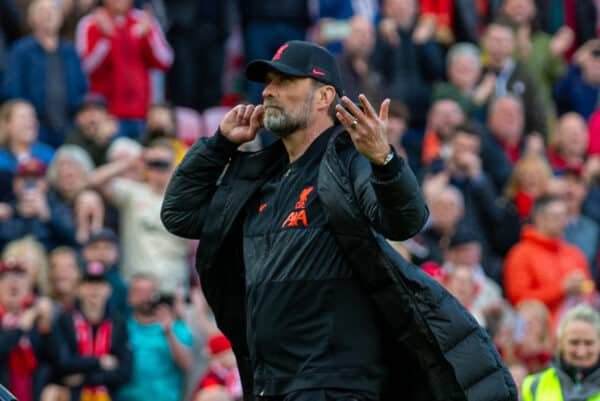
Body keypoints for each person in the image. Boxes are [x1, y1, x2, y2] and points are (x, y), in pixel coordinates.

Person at [161, 40, 516, 401]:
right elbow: (179, 215)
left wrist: (384, 161)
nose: (267, 91)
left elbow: (405, 221)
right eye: (267, 82)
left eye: (284, 82)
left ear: (323, 96)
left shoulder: (348, 161)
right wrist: (219, 145)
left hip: (334, 384)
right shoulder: (260, 178)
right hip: (271, 384)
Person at [75, 0, 173, 139]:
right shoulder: (90, 22)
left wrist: (148, 36)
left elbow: (165, 61)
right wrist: (105, 39)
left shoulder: (143, 20)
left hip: (142, 114)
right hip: (107, 116)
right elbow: (85, 68)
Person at [1, 0, 88, 148]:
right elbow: (12, 90)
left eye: (52, 11)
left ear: (61, 18)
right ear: (31, 19)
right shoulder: (21, 51)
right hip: (35, 130)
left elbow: (82, 87)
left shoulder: (70, 52)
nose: (48, 16)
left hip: (68, 127)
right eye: (42, 12)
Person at [503, 195, 592, 323]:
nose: (563, 222)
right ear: (539, 218)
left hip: (576, 328)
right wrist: (561, 289)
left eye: (564, 216)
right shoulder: (520, 255)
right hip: (540, 333)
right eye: (556, 217)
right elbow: (519, 300)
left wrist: (584, 289)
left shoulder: (574, 253)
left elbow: (589, 290)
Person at [51, 261, 132, 401]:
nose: (94, 289)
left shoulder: (118, 322)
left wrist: (84, 377)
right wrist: (99, 362)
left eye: (100, 284)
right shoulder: (65, 320)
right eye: (89, 283)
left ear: (109, 290)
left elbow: (124, 372)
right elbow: (61, 364)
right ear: (79, 289)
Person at [115, 273, 193, 401]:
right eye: (139, 292)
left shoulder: (177, 328)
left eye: (150, 291)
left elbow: (187, 364)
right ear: (129, 297)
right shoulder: (120, 329)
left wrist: (169, 333)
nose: (145, 297)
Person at [521, 303, 600, 400]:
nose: (581, 352)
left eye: (589, 343)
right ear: (560, 343)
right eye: (574, 343)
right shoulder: (533, 385)